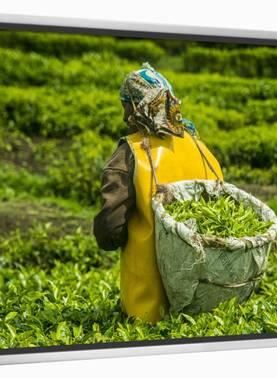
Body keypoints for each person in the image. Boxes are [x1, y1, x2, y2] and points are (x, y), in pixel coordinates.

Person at [93, 62, 224, 323]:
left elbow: (110, 230)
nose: (124, 117)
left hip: (149, 306)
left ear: (138, 105)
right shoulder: (199, 147)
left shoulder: (131, 153)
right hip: (204, 304)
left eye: (126, 106)